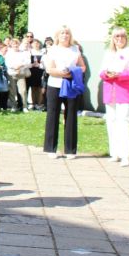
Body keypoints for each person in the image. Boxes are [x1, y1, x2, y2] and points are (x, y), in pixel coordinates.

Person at [43, 26, 86, 159]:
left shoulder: (75, 49)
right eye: (62, 33)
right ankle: (51, 148)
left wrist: (73, 73)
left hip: (71, 84)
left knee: (71, 115)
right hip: (55, 84)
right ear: (57, 36)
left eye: (67, 33)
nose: (65, 35)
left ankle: (70, 150)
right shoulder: (52, 50)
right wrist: (62, 73)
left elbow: (83, 67)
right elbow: (49, 69)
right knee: (53, 115)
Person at [99, 27, 129, 167]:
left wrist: (120, 75)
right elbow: (102, 71)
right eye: (117, 36)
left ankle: (125, 155)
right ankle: (114, 152)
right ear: (113, 38)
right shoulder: (108, 53)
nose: (119, 39)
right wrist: (107, 74)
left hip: (124, 90)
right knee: (111, 120)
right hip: (110, 90)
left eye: (122, 36)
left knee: (123, 121)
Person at [5, 38, 31, 111]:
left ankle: (24, 106)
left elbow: (27, 62)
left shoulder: (23, 53)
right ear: (11, 45)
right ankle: (14, 106)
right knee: (12, 90)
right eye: (13, 44)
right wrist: (14, 67)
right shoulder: (9, 53)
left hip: (21, 73)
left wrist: (20, 65)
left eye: (16, 44)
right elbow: (7, 63)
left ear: (19, 44)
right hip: (11, 73)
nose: (15, 45)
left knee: (23, 91)